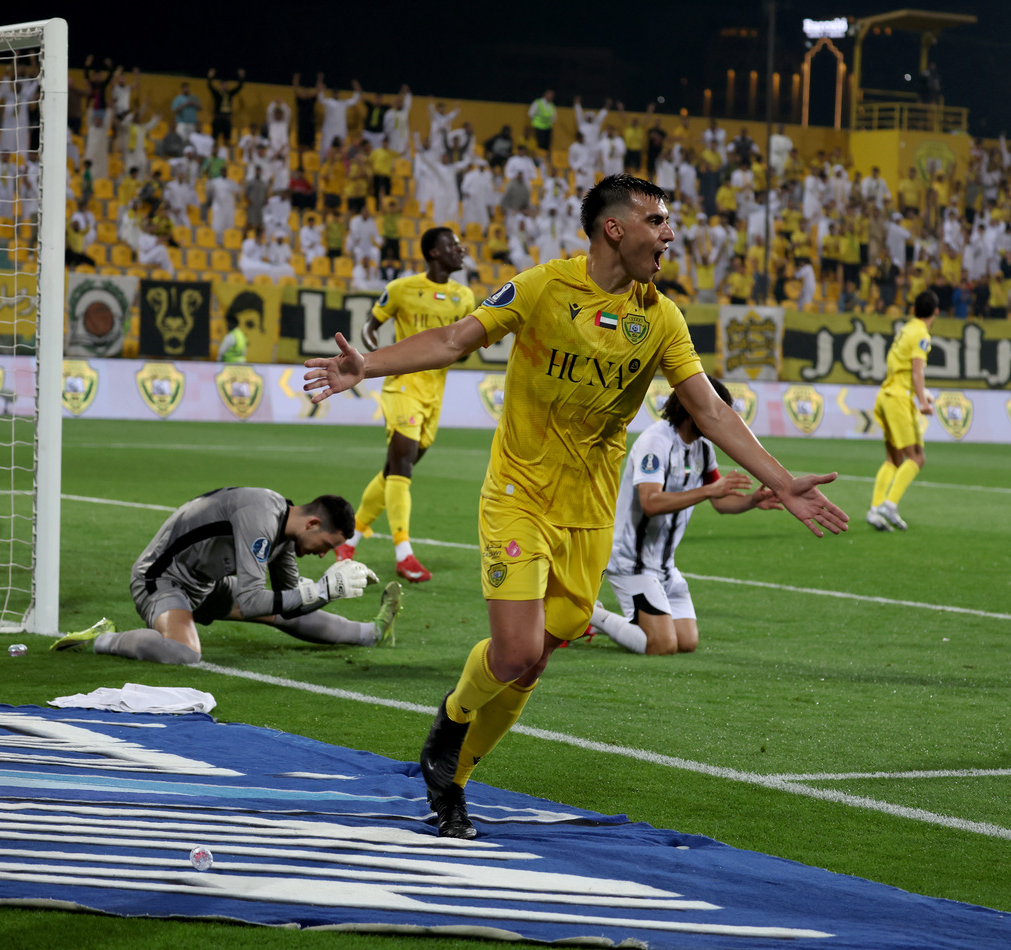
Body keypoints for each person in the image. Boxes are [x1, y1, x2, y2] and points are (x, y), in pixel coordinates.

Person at [301, 174, 848, 839]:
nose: (669, 234)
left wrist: (783, 480)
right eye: (658, 220)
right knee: (515, 650)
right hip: (518, 495)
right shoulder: (541, 288)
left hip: (589, 513)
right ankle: (451, 735)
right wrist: (371, 366)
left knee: (537, 656)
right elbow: (454, 341)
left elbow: (708, 408)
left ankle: (455, 775)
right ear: (614, 228)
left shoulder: (662, 318)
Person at [51, 489, 401, 665]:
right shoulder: (261, 518)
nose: (324, 554)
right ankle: (103, 639)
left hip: (205, 582)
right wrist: (319, 591)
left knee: (286, 609)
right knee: (185, 652)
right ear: (312, 524)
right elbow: (250, 602)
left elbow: (290, 602)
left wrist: (323, 594)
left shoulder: (285, 530)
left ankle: (371, 632)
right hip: (162, 578)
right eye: (326, 544)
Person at [588, 379, 784, 655]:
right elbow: (651, 503)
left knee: (686, 642)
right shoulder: (655, 442)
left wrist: (753, 500)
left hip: (664, 564)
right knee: (661, 644)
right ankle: (588, 615)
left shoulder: (702, 447)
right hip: (631, 560)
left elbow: (720, 501)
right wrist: (707, 490)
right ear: (693, 409)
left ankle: (609, 619)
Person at [336, 227, 476, 583]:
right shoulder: (402, 289)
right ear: (433, 253)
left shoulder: (464, 297)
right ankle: (404, 552)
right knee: (402, 469)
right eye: (453, 246)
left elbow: (463, 346)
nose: (461, 251)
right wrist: (371, 357)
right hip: (402, 388)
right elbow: (371, 326)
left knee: (394, 471)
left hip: (434, 394)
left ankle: (348, 539)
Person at [867, 290, 938, 532]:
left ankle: (875, 510)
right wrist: (923, 402)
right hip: (898, 399)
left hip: (885, 395)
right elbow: (917, 370)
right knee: (916, 457)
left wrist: (921, 392)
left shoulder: (906, 329)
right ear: (936, 312)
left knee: (894, 459)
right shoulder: (921, 334)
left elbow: (904, 370)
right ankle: (890, 504)